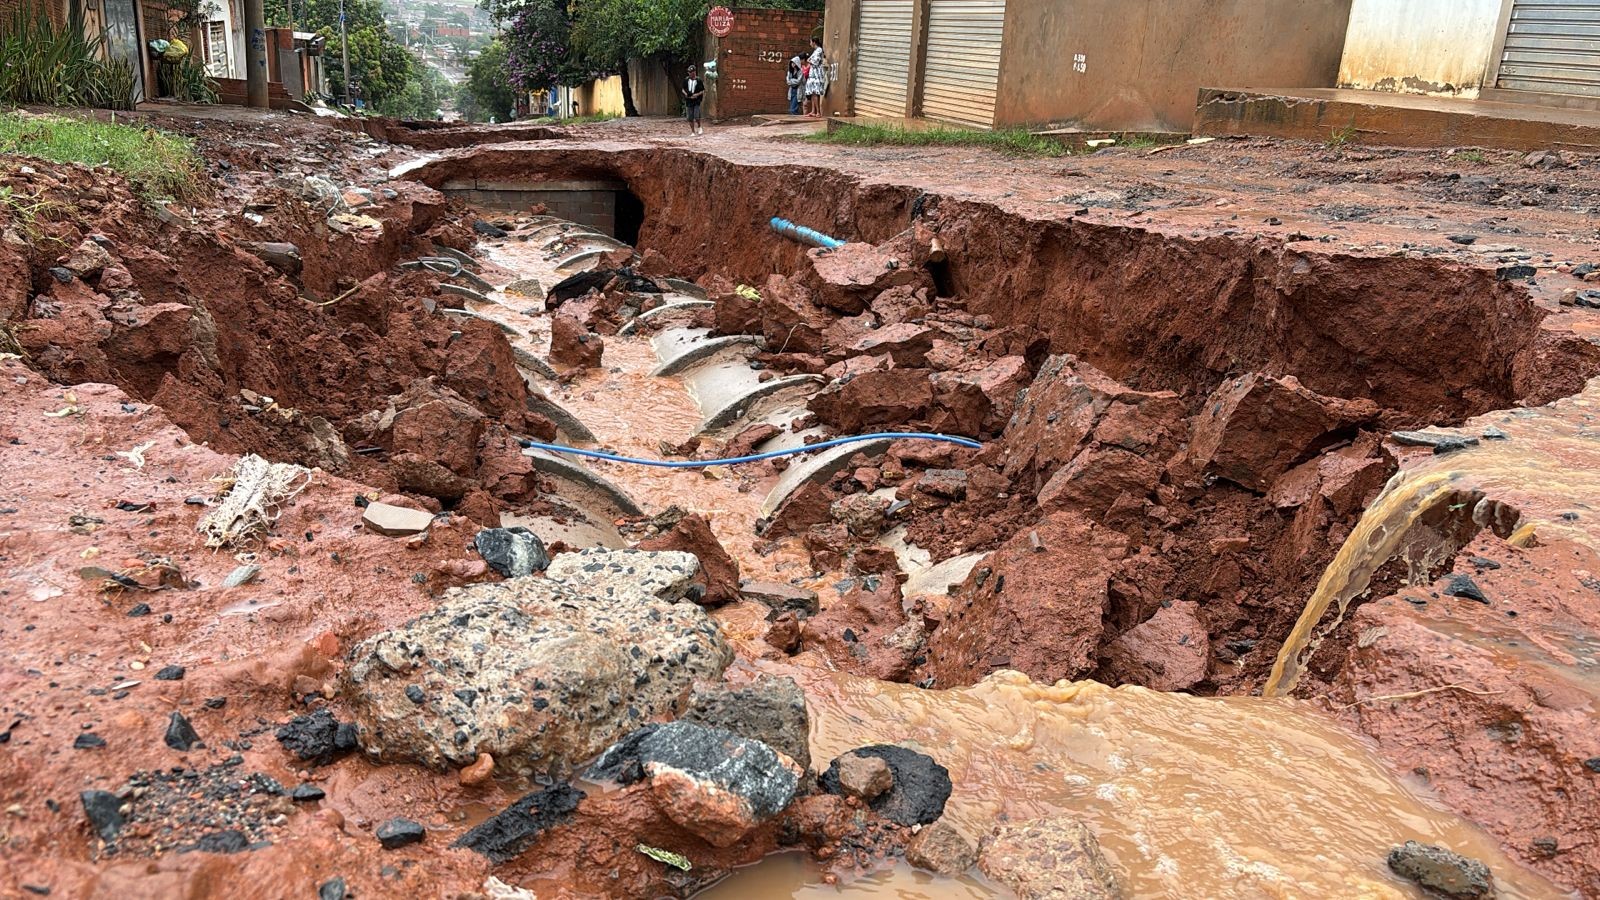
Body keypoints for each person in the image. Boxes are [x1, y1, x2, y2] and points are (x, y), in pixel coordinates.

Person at [682, 64, 706, 136]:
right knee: (690, 117)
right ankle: (692, 131)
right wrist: (686, 94)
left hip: (696, 101)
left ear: (694, 72)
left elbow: (702, 90)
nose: (690, 74)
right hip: (689, 100)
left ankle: (699, 126)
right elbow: (683, 89)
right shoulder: (686, 80)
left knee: (696, 115)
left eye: (691, 72)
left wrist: (697, 95)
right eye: (689, 72)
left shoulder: (699, 80)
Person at [804, 37, 825, 118]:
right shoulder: (815, 51)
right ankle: (813, 111)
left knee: (816, 93)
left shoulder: (819, 50)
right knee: (813, 93)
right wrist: (809, 60)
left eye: (810, 42)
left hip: (817, 75)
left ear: (814, 42)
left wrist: (809, 60)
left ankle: (818, 112)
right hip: (813, 74)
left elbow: (814, 62)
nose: (810, 44)